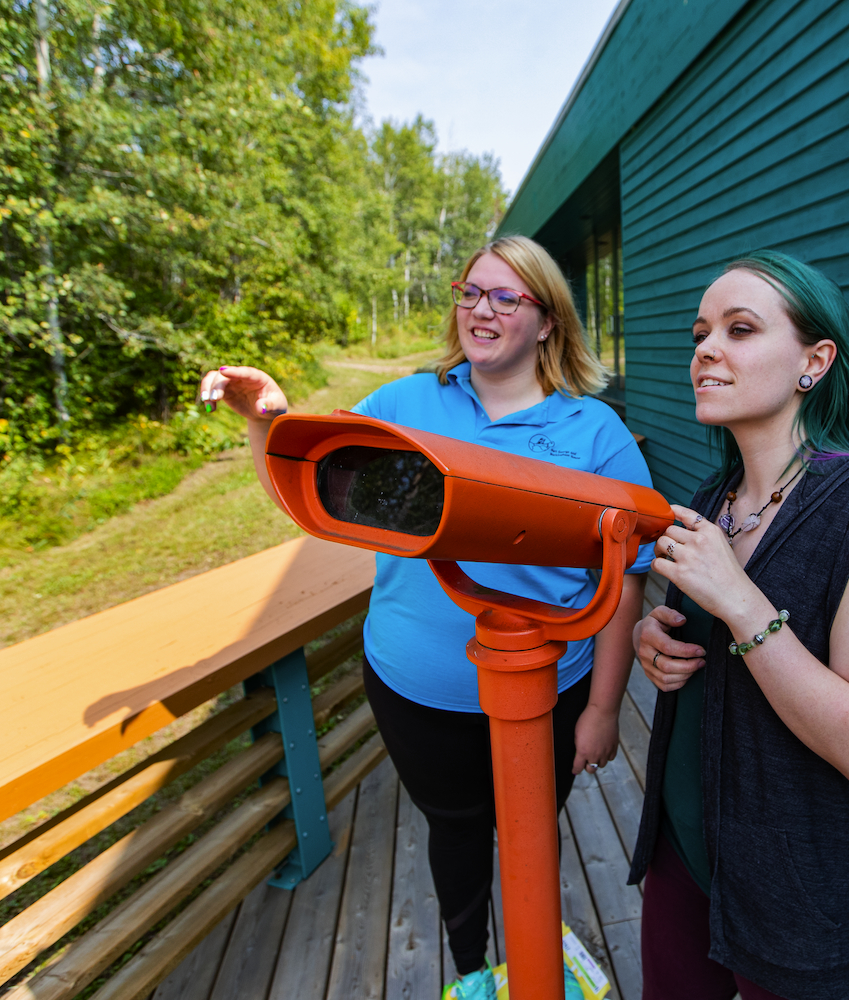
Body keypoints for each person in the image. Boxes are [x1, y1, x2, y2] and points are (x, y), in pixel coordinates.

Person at [200, 236, 653, 1000]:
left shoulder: (596, 434)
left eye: (506, 297)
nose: (481, 309)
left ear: (547, 321)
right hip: (415, 691)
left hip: (550, 691)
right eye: (470, 291)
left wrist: (604, 709)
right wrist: (266, 416)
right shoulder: (407, 403)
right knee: (455, 827)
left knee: (531, 824)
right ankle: (473, 966)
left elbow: (629, 576)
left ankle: (536, 945)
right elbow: (305, 481)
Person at [628, 251, 849, 1000]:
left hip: (806, 899)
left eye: (740, 330)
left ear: (816, 360)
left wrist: (738, 602)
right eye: (701, 332)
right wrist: (661, 644)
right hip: (686, 855)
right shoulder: (716, 495)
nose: (706, 349)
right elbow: (721, 659)